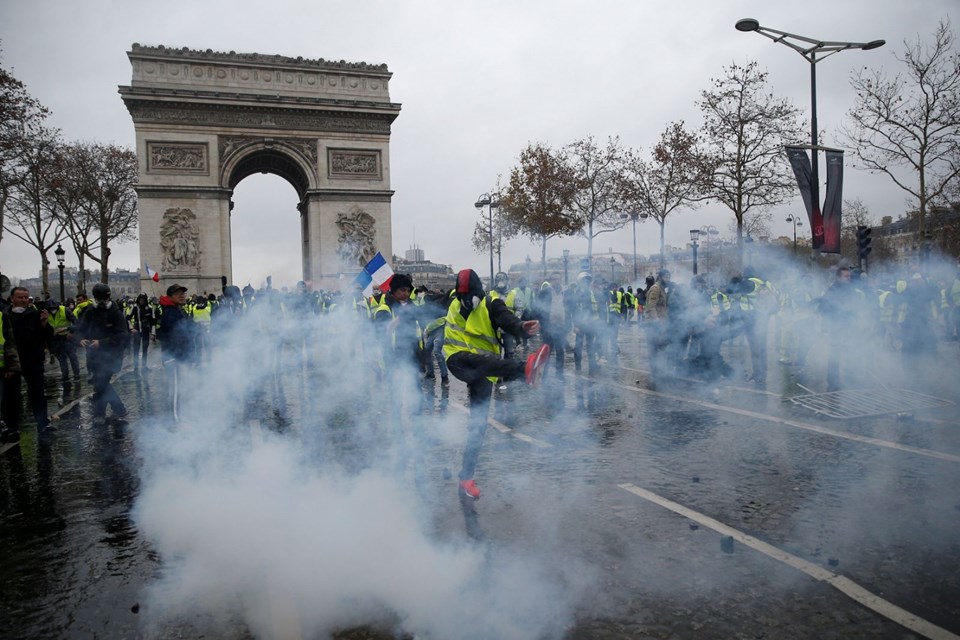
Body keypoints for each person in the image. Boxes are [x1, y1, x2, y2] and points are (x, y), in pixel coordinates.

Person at [443, 269, 544, 500]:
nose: (466, 299)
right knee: (487, 362)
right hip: (457, 358)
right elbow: (430, 302)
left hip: (485, 372)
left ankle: (466, 478)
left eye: (470, 295)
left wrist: (521, 327)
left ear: (479, 291)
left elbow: (505, 317)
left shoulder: (490, 302)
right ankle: (524, 370)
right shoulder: (454, 303)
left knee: (478, 425)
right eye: (462, 295)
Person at [1, 287, 53, 435]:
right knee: (11, 396)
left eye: (26, 297)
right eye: (20, 297)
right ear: (12, 299)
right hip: (13, 361)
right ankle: (11, 427)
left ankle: (43, 423)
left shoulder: (34, 315)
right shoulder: (5, 316)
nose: (24, 300)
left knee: (37, 393)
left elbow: (47, 338)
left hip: (33, 360)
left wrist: (44, 324)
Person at [76, 283, 129, 419]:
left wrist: (101, 342)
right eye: (98, 299)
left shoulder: (116, 314)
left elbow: (122, 335)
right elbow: (80, 329)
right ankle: (103, 413)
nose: (101, 302)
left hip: (112, 355)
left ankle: (113, 410)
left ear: (108, 298)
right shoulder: (89, 312)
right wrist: (80, 340)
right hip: (94, 356)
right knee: (99, 384)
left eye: (103, 299)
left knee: (101, 383)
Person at [818, 266, 867, 392]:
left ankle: (851, 378)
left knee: (852, 351)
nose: (849, 279)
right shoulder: (832, 290)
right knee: (835, 355)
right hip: (836, 326)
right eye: (846, 276)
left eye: (850, 276)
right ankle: (832, 381)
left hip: (849, 326)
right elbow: (824, 308)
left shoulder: (850, 290)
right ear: (839, 277)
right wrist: (839, 314)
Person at [157, 283, 197, 422]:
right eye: (177, 294)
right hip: (173, 358)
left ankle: (177, 417)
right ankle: (174, 421)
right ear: (170, 297)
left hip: (178, 357)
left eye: (183, 293)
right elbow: (177, 337)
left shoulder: (177, 310)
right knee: (174, 391)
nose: (182, 296)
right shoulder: (171, 313)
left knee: (178, 389)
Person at [644, 269, 670, 383]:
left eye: (669, 277)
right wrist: (657, 321)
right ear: (660, 277)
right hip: (654, 325)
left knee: (662, 349)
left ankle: (660, 372)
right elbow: (651, 306)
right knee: (654, 350)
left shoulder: (662, 289)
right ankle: (655, 375)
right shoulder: (656, 288)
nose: (668, 279)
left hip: (661, 325)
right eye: (666, 277)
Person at [0, 307, 22, 443]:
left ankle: (10, 427)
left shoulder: (3, 317)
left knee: (6, 400)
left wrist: (12, 366)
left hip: (2, 368)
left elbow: (10, 343)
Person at [46, 298, 81, 382]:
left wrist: (71, 332)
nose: (53, 310)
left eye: (54, 308)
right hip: (57, 338)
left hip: (68, 337)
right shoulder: (47, 314)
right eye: (51, 309)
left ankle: (76, 374)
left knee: (72, 356)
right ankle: (65, 375)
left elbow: (76, 323)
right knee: (62, 358)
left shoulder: (65, 310)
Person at [126, 293, 155, 372]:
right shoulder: (134, 308)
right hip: (137, 331)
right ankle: (135, 367)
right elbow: (127, 318)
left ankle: (144, 366)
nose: (141, 301)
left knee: (145, 348)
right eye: (140, 300)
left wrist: (153, 333)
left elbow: (153, 322)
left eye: (143, 300)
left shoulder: (150, 308)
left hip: (146, 331)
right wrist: (131, 328)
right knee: (136, 349)